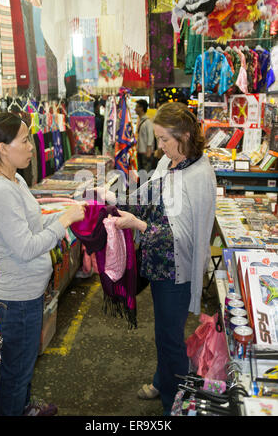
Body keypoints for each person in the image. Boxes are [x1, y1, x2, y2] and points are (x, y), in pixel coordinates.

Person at [112, 102, 217, 415]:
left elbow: (182, 237)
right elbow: (148, 196)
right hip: (158, 267)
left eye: (163, 140)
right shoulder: (169, 162)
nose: (158, 146)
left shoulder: (198, 175)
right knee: (164, 332)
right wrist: (116, 198)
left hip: (175, 272)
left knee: (170, 338)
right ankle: (162, 379)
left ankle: (176, 402)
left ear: (184, 136)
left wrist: (138, 224)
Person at [0, 113, 86, 417]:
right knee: (17, 371)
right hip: (19, 297)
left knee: (23, 364)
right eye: (24, 140)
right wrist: (63, 222)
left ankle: (24, 407)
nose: (31, 147)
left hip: (29, 291)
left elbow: (35, 222)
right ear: (2, 148)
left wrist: (68, 214)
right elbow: (25, 248)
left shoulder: (16, 180)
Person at [135, 99, 155, 172]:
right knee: (141, 172)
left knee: (146, 172)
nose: (135, 109)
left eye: (137, 107)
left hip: (145, 152)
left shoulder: (147, 122)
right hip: (140, 151)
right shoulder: (140, 120)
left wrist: (149, 150)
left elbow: (150, 137)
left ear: (142, 108)